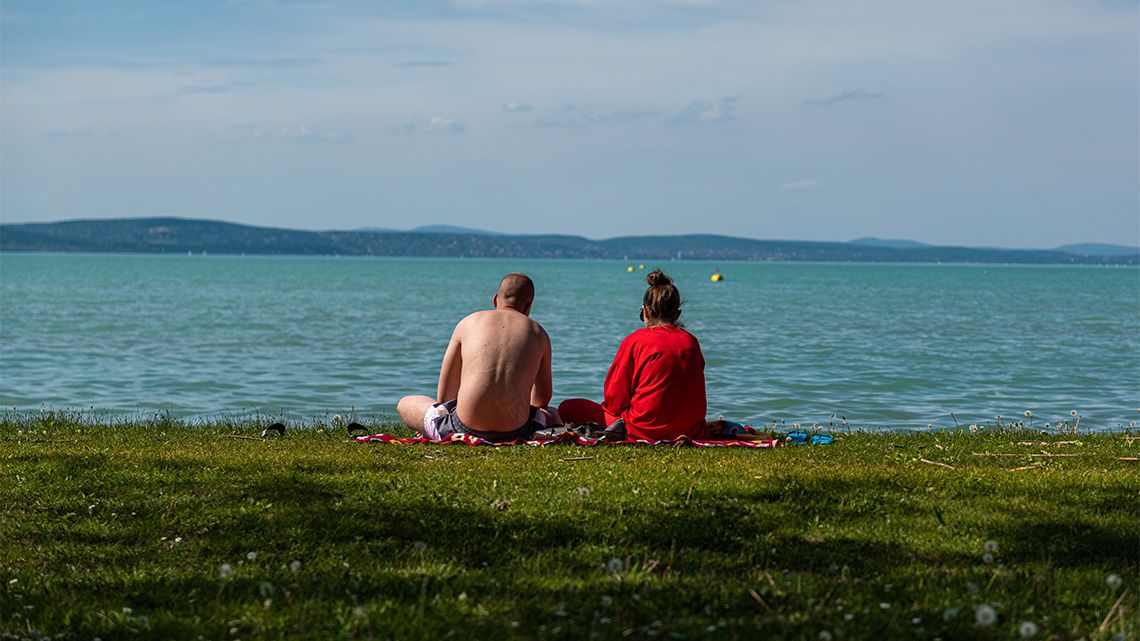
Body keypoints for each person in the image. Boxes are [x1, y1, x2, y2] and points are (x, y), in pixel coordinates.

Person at [396, 273, 554, 443]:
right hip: (519, 432)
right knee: (552, 412)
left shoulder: (469, 322)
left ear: (495, 299)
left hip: (461, 429)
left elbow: (445, 397)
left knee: (405, 403)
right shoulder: (539, 333)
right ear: (528, 307)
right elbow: (540, 402)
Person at [558, 269, 707, 441]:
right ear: (677, 313)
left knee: (568, 408)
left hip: (641, 430)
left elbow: (614, 401)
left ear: (645, 312)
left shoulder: (635, 341)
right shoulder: (691, 342)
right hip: (689, 430)